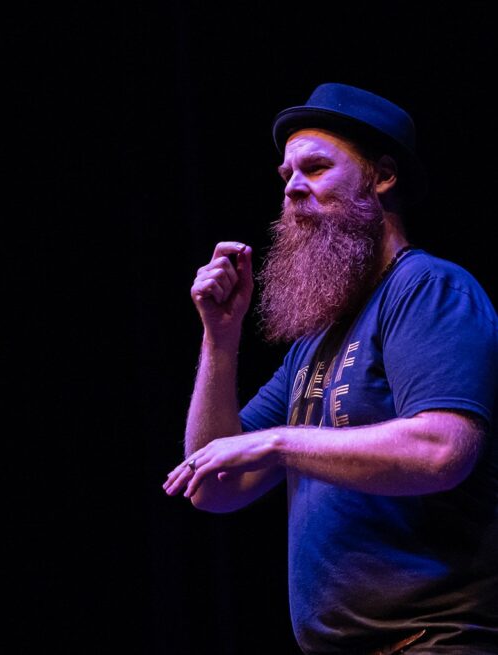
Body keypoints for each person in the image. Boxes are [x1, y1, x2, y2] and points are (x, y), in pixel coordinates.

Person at [162, 82, 498, 653]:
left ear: (382, 177)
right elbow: (212, 484)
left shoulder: (427, 289)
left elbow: (443, 451)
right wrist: (220, 339)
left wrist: (278, 444)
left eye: (315, 168)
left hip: (437, 640)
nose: (292, 189)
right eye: (286, 176)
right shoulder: (316, 341)